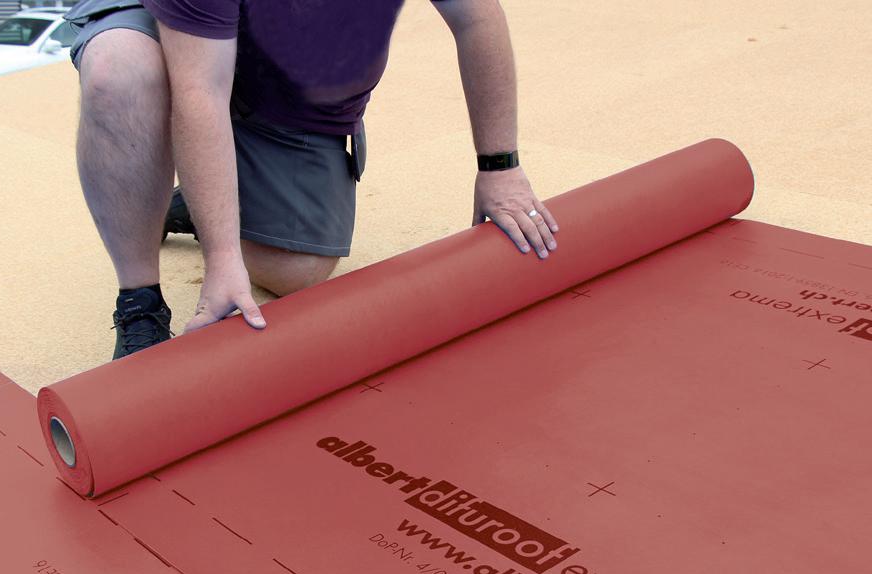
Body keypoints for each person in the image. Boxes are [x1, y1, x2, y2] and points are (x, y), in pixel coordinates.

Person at [65, 0, 559, 359]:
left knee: (297, 271)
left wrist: (500, 168)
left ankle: (197, 199)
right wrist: (222, 257)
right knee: (120, 71)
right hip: (171, 28)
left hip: (280, 74)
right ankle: (140, 300)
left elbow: (476, 17)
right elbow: (200, 91)